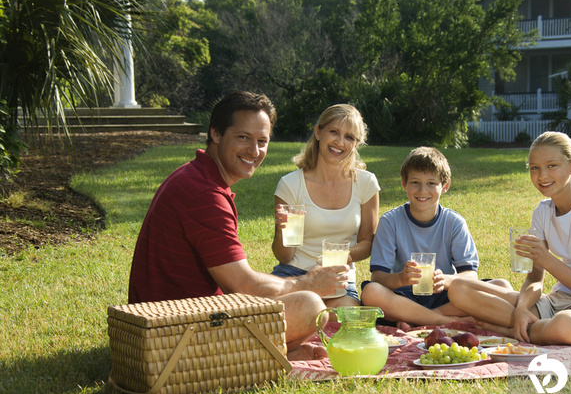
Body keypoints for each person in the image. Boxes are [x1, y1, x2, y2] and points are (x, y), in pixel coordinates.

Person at [128, 91, 349, 360]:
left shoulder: (194, 176)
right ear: (216, 134)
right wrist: (308, 281)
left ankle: (276, 352)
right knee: (309, 305)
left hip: (169, 321)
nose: (254, 151)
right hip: (172, 335)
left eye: (262, 141)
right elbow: (243, 285)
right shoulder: (204, 195)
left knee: (293, 298)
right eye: (243, 137)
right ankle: (261, 357)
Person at [447, 131, 571, 345]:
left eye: (552, 166)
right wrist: (523, 310)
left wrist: (546, 259)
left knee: (566, 327)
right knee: (460, 289)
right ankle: (525, 325)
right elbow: (534, 279)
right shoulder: (543, 212)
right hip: (555, 303)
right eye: (535, 168)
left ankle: (510, 331)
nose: (542, 176)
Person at [360, 146, 508, 328]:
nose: (423, 191)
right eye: (415, 182)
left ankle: (418, 320)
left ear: (445, 186)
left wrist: (445, 280)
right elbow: (378, 278)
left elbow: (470, 276)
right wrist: (401, 279)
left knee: (501, 287)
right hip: (404, 296)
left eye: (431, 183)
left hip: (444, 297)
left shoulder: (454, 222)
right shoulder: (390, 221)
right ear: (403, 183)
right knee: (370, 292)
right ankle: (447, 322)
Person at [270, 104, 380, 308]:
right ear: (318, 132)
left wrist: (347, 256)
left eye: (349, 137)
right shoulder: (291, 185)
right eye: (334, 132)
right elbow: (284, 256)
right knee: (291, 314)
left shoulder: (366, 183)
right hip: (294, 277)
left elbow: (367, 242)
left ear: (356, 144)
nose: (340, 142)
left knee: (341, 319)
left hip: (337, 279)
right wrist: (282, 231)